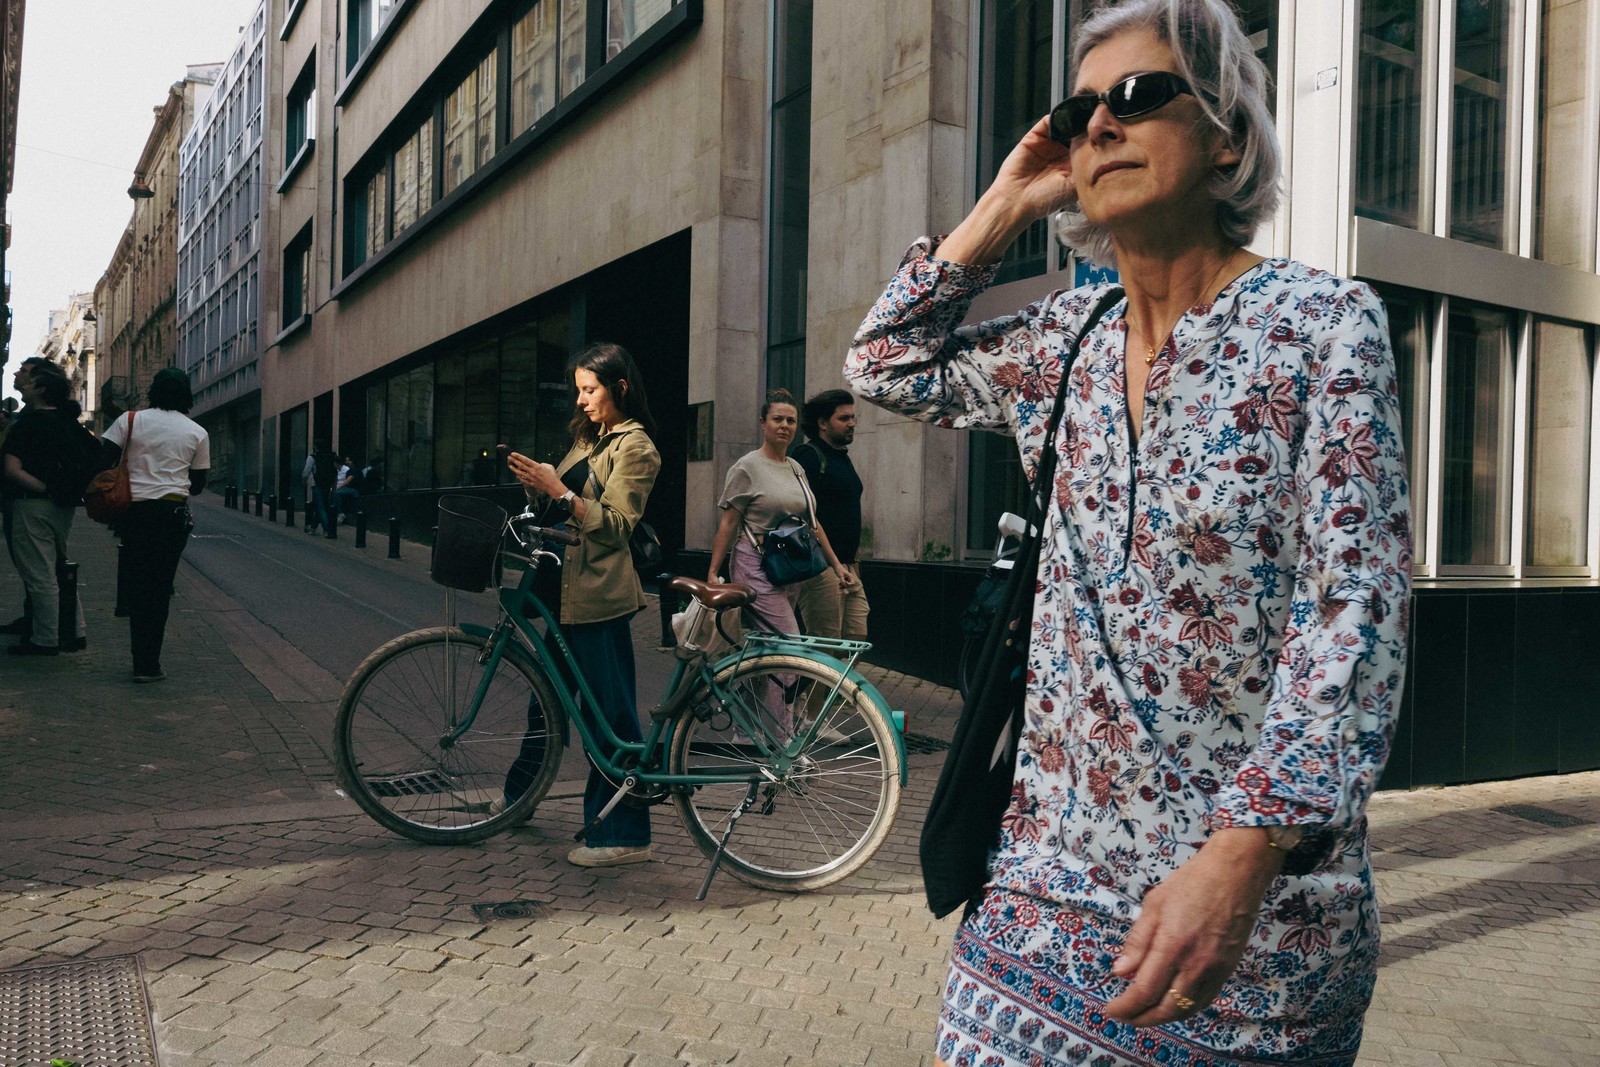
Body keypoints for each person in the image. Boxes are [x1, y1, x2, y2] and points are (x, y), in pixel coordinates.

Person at [844, 2, 1413, 1063]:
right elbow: (883, 364)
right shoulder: (1062, 337)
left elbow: (1356, 610)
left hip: (1248, 916)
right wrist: (1006, 198)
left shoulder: (1322, 325)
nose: (1100, 125)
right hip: (1036, 894)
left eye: (1141, 96)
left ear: (1226, 136)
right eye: (1080, 109)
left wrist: (1245, 847)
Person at [506, 342, 661, 869]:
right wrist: (539, 488)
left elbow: (616, 525)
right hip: (563, 591)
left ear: (619, 388)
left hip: (598, 598)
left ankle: (625, 833)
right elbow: (563, 502)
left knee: (610, 716)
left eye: (590, 390)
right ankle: (517, 801)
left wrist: (561, 492)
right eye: (578, 390)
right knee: (543, 703)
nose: (582, 399)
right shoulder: (587, 437)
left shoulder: (635, 446)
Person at [705, 389, 854, 732]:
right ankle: (781, 737)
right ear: (763, 423)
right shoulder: (746, 467)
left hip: (789, 567)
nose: (784, 426)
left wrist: (836, 566)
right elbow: (728, 522)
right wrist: (713, 570)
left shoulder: (796, 468)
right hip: (754, 563)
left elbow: (813, 525)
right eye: (777, 419)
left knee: (769, 649)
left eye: (790, 420)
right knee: (788, 647)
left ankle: (748, 720)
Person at [101, 366, 210, 683]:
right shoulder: (196, 431)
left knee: (138, 585)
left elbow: (104, 456)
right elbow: (199, 484)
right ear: (186, 393)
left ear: (155, 391)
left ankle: (139, 661)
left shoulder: (130, 420)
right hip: (171, 516)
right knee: (160, 589)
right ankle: (150, 665)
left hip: (134, 513)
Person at [2, 364, 92, 656]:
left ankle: (45, 638)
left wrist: (42, 488)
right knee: (58, 568)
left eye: (29, 381)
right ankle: (76, 631)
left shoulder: (28, 424)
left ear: (41, 389)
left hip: (31, 504)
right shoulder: (68, 423)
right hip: (63, 508)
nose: (22, 383)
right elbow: (96, 454)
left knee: (40, 575)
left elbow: (12, 470)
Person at [792, 388, 869, 642]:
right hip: (820, 567)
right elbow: (803, 514)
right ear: (822, 423)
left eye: (853, 417)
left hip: (847, 567)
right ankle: (809, 684)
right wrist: (832, 563)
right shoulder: (808, 456)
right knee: (825, 647)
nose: (851, 424)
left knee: (855, 642)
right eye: (844, 418)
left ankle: (825, 684)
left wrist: (853, 562)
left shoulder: (842, 458)